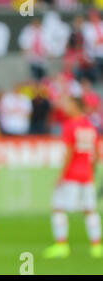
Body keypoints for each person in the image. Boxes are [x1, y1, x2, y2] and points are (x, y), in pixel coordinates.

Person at [43, 96, 102, 259]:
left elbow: (69, 152)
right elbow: (96, 154)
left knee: (58, 208)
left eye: (68, 103)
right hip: (87, 174)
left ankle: (61, 245)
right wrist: (92, 172)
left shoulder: (70, 125)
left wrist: (61, 175)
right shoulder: (91, 126)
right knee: (90, 210)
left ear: (76, 106)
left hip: (72, 174)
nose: (66, 107)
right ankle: (96, 246)